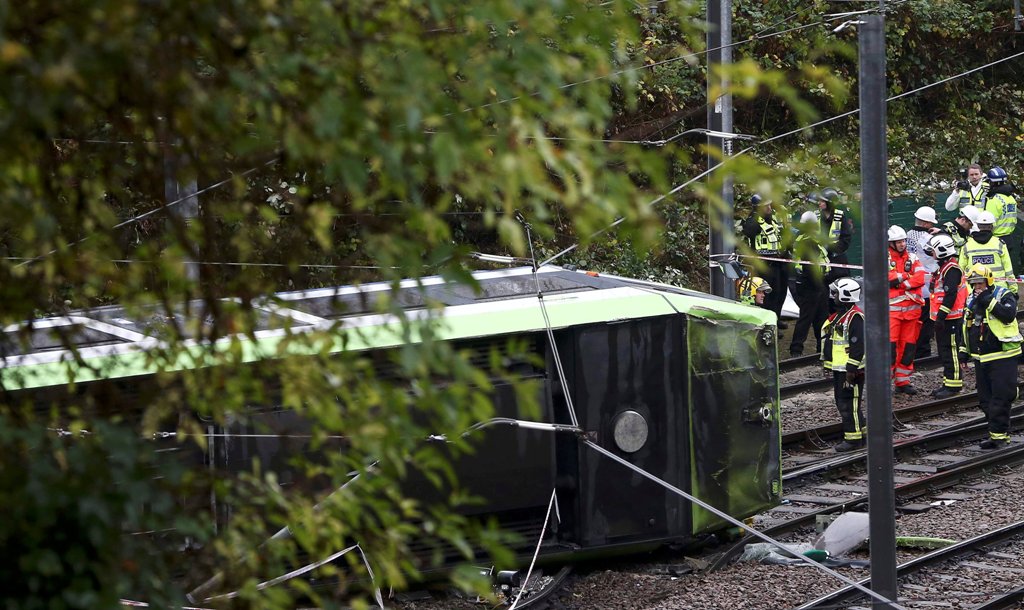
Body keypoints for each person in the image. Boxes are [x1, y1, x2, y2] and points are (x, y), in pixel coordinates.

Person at [963, 263, 1020, 450]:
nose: (977, 287)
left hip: (1003, 354)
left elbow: (1008, 315)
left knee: (1001, 397)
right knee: (985, 400)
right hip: (981, 357)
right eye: (974, 284)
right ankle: (996, 433)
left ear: (987, 281)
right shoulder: (971, 300)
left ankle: (1000, 437)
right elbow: (967, 326)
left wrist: (988, 301)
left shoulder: (1002, 294)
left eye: (980, 283)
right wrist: (964, 351)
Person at [822, 277, 865, 452]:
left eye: (836, 293)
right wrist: (827, 364)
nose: (833, 296)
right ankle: (861, 433)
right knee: (844, 402)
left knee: (848, 404)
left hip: (851, 371)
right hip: (841, 369)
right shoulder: (841, 316)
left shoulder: (855, 317)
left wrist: (851, 369)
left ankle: (853, 440)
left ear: (845, 296)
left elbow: (858, 346)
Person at [924, 233, 967, 398]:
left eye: (933, 251)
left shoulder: (951, 270)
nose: (931, 254)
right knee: (944, 352)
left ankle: (954, 385)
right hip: (944, 318)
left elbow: (950, 296)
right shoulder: (944, 267)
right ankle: (948, 382)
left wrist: (941, 316)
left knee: (951, 352)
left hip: (951, 319)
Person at [887, 225, 926, 394]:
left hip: (911, 313)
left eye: (903, 241)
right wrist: (906, 277)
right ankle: (886, 382)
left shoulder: (913, 257)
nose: (902, 244)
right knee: (890, 348)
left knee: (908, 348)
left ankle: (903, 381)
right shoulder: (885, 259)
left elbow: (920, 278)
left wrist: (901, 282)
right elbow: (887, 278)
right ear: (891, 243)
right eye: (898, 242)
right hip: (893, 313)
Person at [740, 194, 790, 324]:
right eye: (766, 206)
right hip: (762, 266)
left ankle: (775, 320)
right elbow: (749, 232)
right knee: (765, 296)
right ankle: (766, 323)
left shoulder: (772, 219)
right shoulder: (753, 221)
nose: (769, 208)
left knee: (778, 294)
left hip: (777, 263)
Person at [788, 210, 830, 356]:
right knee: (807, 318)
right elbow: (809, 267)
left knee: (820, 318)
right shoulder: (807, 242)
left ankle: (822, 347)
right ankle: (796, 350)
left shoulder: (809, 240)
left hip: (815, 284)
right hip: (810, 285)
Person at [906, 206, 940, 359]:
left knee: (912, 319)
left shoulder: (907, 235)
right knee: (926, 320)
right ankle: (923, 351)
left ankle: (911, 349)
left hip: (910, 284)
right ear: (926, 223)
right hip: (926, 285)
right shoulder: (928, 238)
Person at [959, 210, 1017, 294]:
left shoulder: (967, 245)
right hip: (998, 290)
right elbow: (1008, 271)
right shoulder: (1000, 244)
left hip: (973, 290)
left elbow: (961, 270)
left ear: (978, 226)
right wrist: (1013, 290)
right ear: (992, 226)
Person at [983, 166, 1022, 271]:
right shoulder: (1010, 198)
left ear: (992, 182)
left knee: (994, 270)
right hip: (1009, 238)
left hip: (995, 239)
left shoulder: (993, 200)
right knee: (1006, 268)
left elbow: (989, 223)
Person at [813, 188, 854, 285]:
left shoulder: (840, 216)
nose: (819, 203)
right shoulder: (816, 216)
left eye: (822, 201)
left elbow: (846, 238)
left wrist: (832, 249)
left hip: (837, 260)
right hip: (820, 260)